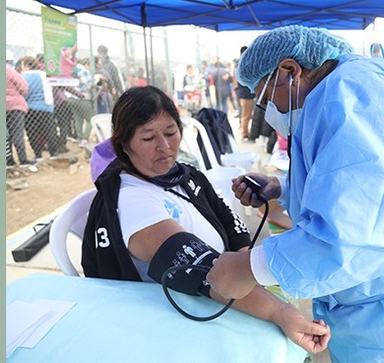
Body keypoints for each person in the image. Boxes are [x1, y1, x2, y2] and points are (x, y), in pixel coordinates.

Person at [206, 25, 384, 362]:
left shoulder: (349, 95)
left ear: (290, 71)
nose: (270, 112)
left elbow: (352, 234)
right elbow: (371, 182)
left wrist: (248, 268)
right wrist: (283, 186)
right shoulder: (365, 79)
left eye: (267, 99)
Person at [80, 85, 330, 354]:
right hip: (181, 312)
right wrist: (279, 312)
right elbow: (198, 268)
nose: (164, 147)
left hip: (226, 291)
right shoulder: (132, 200)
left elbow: (228, 219)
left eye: (170, 133)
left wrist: (246, 269)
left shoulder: (183, 175)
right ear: (124, 146)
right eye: (148, 138)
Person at [19, 55, 60, 161]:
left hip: (31, 108)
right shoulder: (44, 75)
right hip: (47, 107)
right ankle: (54, 153)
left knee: (32, 132)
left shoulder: (24, 76)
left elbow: (23, 92)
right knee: (49, 130)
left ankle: (38, 155)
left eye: (23, 64)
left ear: (26, 65)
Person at [6, 52, 36, 167]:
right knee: (17, 134)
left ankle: (8, 160)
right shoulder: (9, 71)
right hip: (15, 106)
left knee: (5, 136)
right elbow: (23, 87)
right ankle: (23, 160)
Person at [235, 46, 257, 142]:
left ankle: (245, 132)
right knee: (246, 115)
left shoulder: (239, 63)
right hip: (246, 94)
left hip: (243, 93)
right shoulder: (245, 64)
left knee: (245, 114)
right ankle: (244, 134)